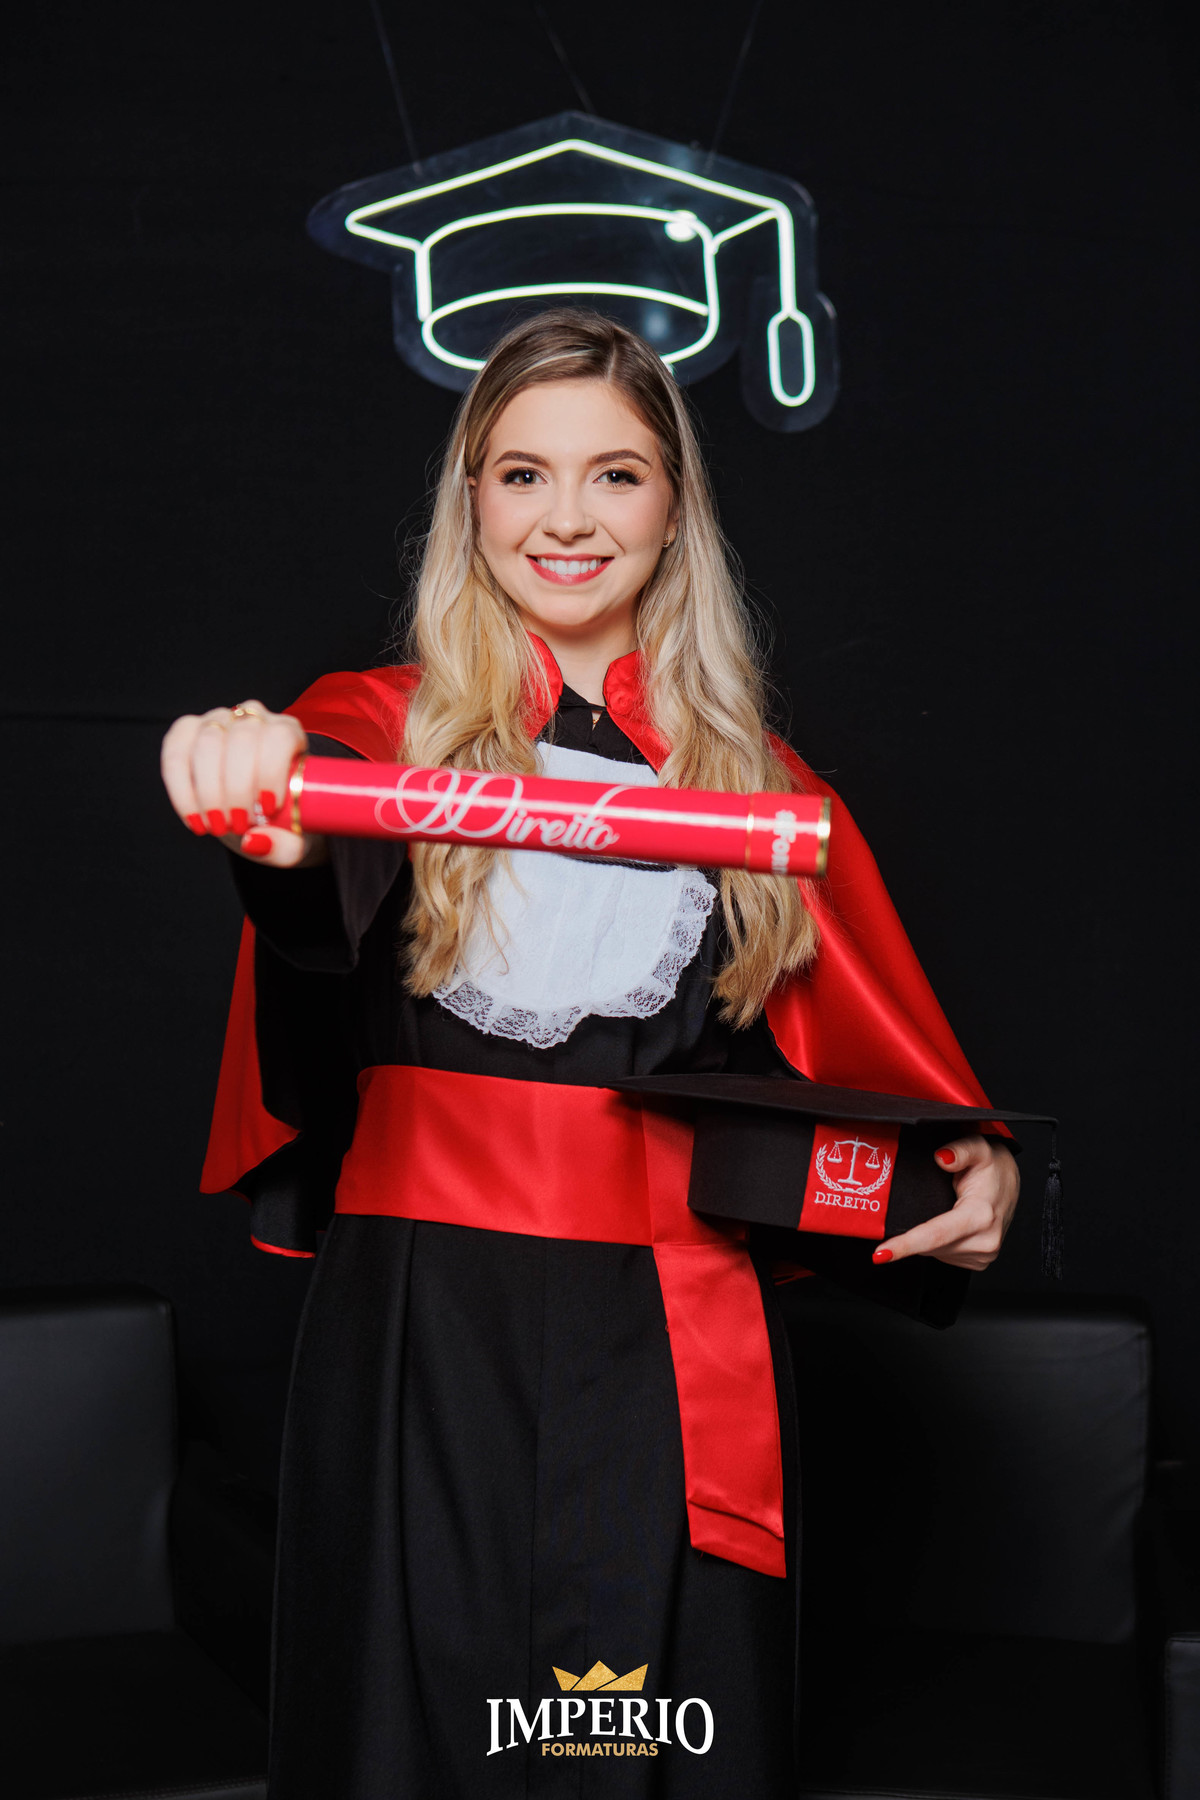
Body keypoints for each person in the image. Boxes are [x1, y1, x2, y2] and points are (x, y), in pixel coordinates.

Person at [161, 309, 1019, 1799]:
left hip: (668, 1351)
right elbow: (311, 883)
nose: (567, 518)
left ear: (674, 508)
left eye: (615, 474)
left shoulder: (763, 794)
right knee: (410, 1736)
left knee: (645, 1744)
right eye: (524, 474)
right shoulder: (364, 730)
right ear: (471, 500)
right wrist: (266, 810)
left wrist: (976, 1167)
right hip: (421, 1331)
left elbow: (891, 1075)